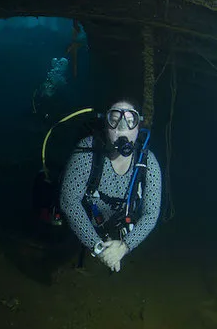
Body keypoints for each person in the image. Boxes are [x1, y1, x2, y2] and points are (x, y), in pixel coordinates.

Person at [59, 100, 162, 272]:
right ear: (105, 124)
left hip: (117, 226)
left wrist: (124, 246)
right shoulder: (87, 151)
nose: (122, 127)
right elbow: (69, 201)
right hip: (87, 222)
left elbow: (151, 213)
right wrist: (98, 248)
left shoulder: (148, 162)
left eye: (130, 120)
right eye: (114, 119)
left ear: (138, 127)